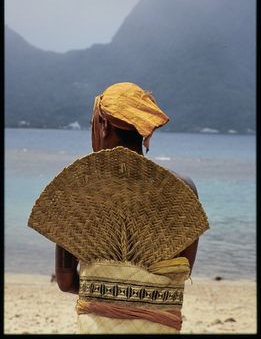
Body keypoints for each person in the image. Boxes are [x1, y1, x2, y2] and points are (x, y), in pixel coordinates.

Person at [55, 81, 209, 333]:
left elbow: (65, 281)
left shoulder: (76, 187)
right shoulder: (183, 187)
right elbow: (183, 270)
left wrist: (109, 288)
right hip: (159, 326)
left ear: (103, 125)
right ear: (143, 130)